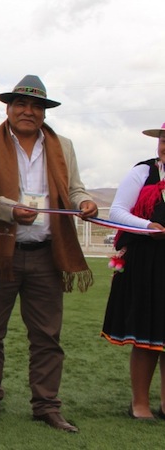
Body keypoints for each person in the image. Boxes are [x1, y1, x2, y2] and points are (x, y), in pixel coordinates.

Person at [0, 75, 96, 433]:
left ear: (43, 112)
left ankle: (46, 405)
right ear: (8, 108)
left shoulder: (62, 145)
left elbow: (74, 189)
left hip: (46, 254)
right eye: (21, 104)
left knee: (47, 336)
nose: (28, 111)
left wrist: (84, 201)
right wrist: (11, 210)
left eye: (36, 106)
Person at [102, 122, 165, 420]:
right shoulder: (142, 172)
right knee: (145, 332)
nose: (164, 145)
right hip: (146, 261)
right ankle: (140, 403)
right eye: (163, 139)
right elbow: (117, 212)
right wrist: (147, 226)